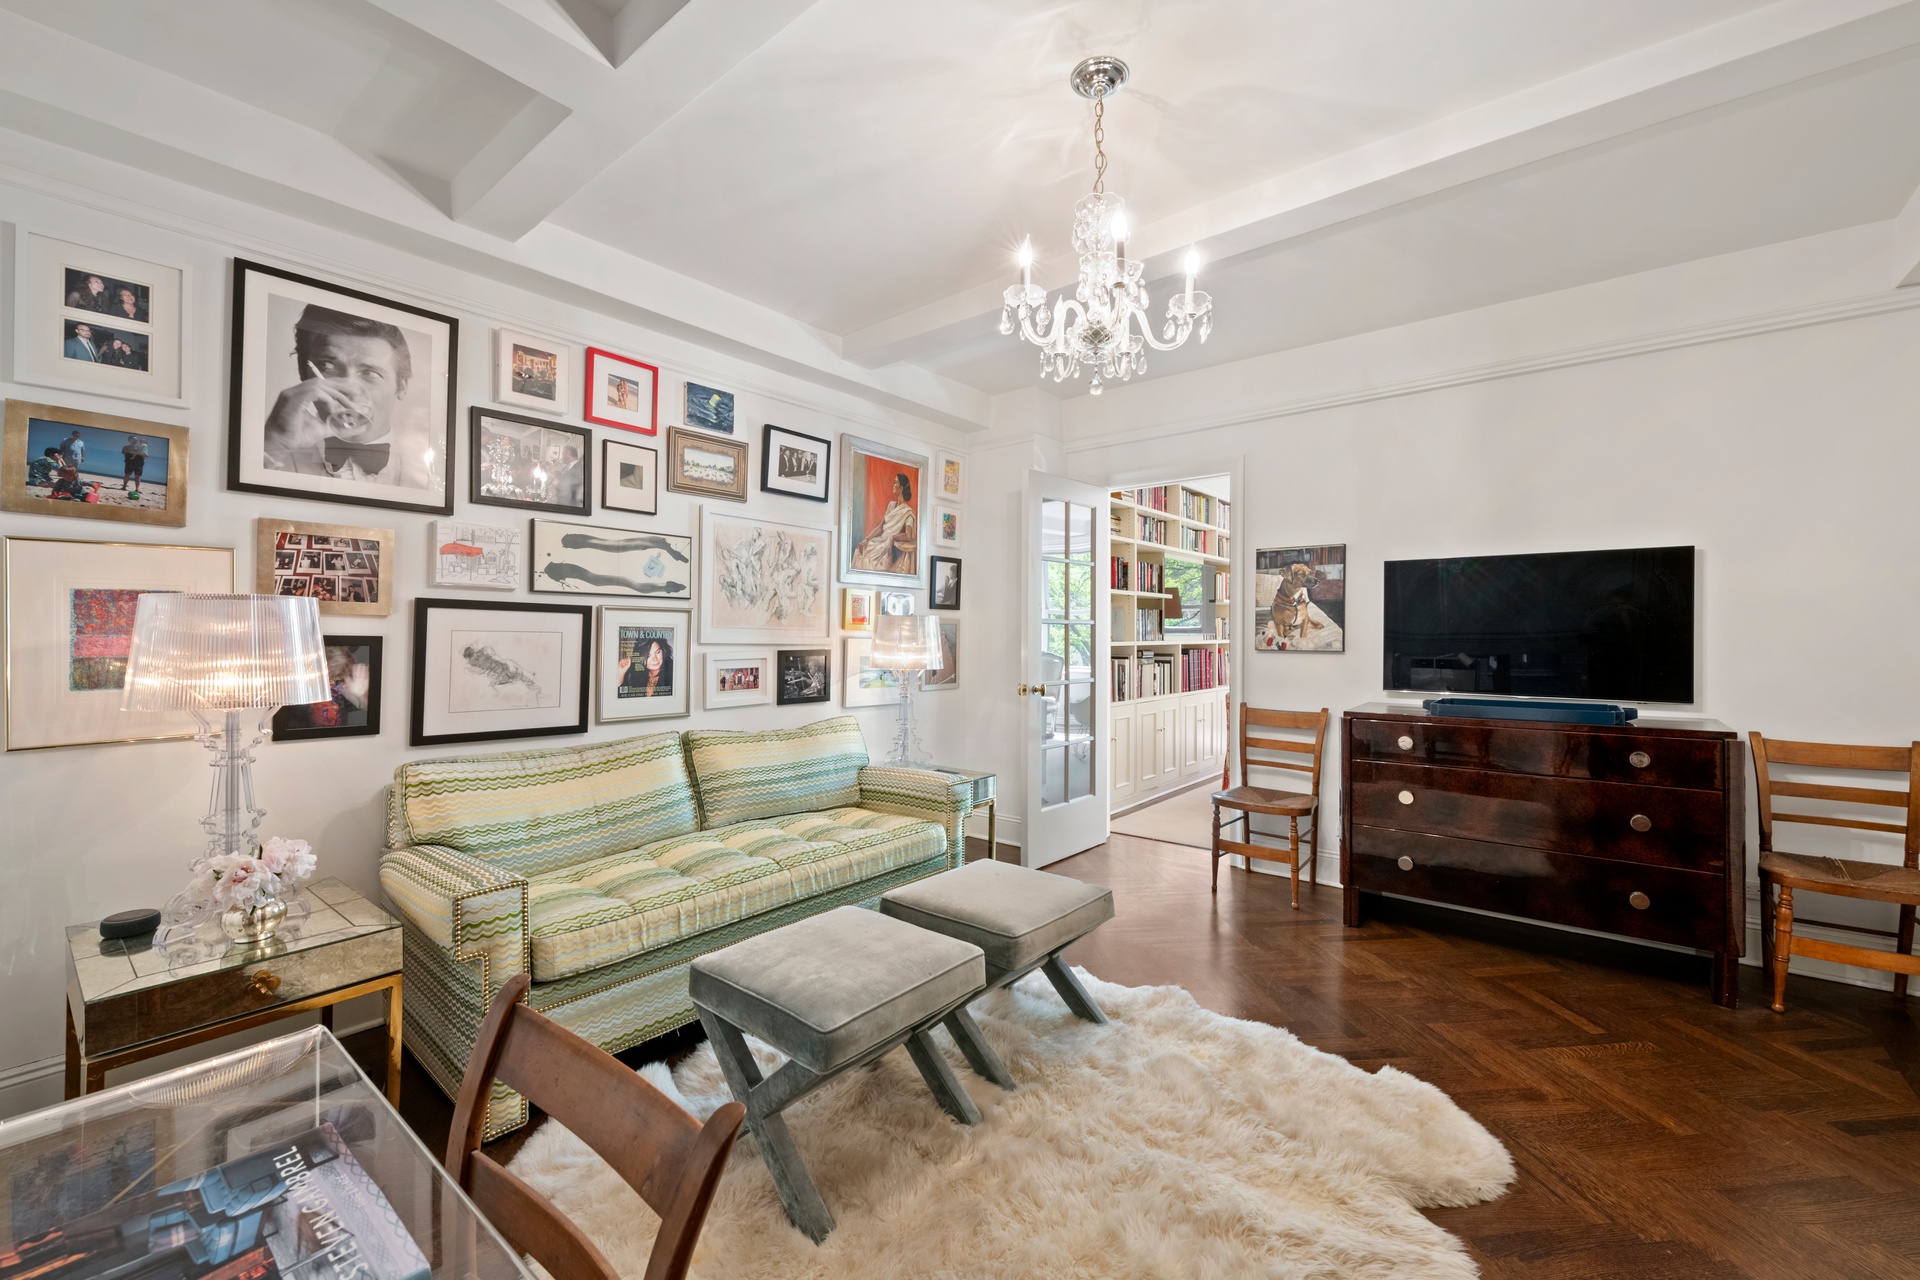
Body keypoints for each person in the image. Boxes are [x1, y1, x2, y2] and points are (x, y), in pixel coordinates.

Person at [261, 305, 428, 488]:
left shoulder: (427, 474)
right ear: (304, 375)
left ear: (401, 386)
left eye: (370, 373)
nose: (349, 389)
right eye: (327, 366)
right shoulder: (268, 456)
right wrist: (274, 443)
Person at [850, 471, 917, 575]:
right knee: (859, 550)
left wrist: (892, 537)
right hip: (880, 541)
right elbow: (881, 527)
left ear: (901, 488)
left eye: (895, 482)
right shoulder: (891, 505)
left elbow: (908, 535)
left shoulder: (908, 513)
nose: (892, 485)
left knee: (869, 560)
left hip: (889, 546)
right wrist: (867, 539)